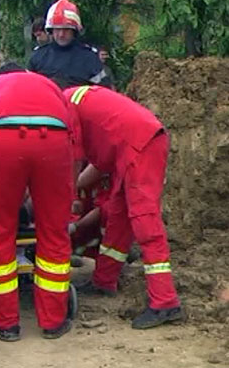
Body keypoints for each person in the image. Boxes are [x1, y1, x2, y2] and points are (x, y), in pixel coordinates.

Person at [63, 85, 183, 329]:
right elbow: (93, 167)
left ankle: (165, 302)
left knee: (145, 221)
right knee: (118, 216)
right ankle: (104, 279)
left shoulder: (65, 108)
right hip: (132, 146)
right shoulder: (76, 100)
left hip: (139, 145)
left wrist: (64, 199)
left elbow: (74, 163)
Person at [0, 68, 74, 341]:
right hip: (54, 139)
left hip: (3, 139)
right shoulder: (50, 84)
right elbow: (72, 140)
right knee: (54, 230)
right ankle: (53, 322)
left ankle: (5, 324)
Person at [28, 0, 111, 88]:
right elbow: (29, 89)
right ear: (51, 30)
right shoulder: (38, 57)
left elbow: (104, 92)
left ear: (74, 31)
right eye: (57, 29)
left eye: (66, 29)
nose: (61, 34)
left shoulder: (89, 58)